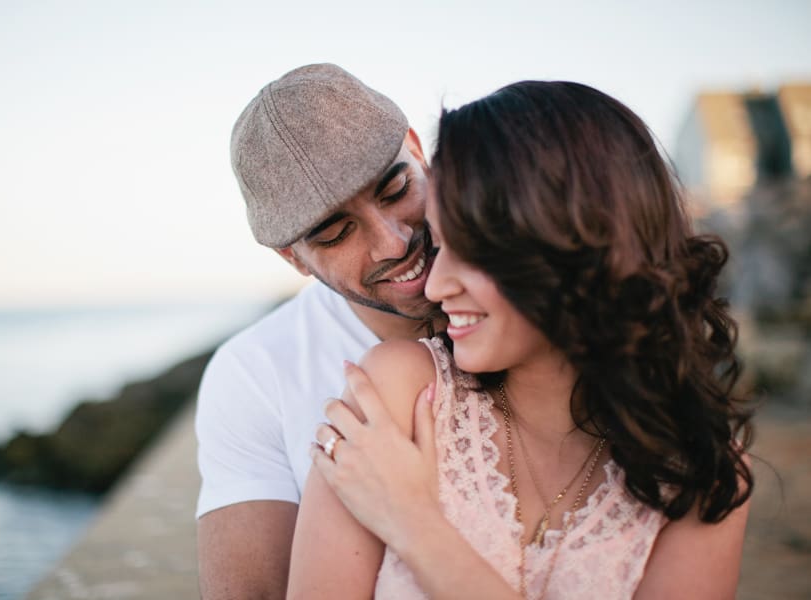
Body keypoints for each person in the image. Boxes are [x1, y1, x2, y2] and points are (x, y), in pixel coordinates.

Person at [290, 81, 754, 599]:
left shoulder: (702, 473)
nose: (438, 286)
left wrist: (415, 524)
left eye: (471, 250)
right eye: (439, 246)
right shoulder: (400, 392)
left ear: (572, 239)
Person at [194, 63, 443, 599]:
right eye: (335, 233)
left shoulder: (546, 292)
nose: (393, 243)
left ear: (417, 148)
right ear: (294, 258)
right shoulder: (254, 373)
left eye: (396, 188)